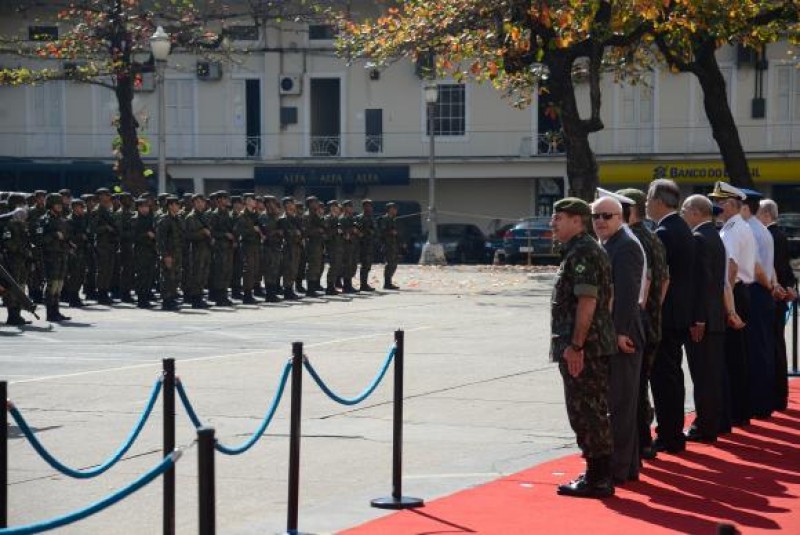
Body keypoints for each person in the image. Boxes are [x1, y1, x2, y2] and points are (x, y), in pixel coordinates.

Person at [550, 197, 616, 498]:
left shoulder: (583, 252)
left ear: (578, 220)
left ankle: (599, 478)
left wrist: (576, 346)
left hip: (583, 348)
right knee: (588, 410)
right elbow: (607, 297)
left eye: (559, 217)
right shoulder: (582, 250)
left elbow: (588, 301)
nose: (553, 223)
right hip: (589, 344)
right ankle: (597, 472)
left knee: (586, 412)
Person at [592, 194, 644, 485]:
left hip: (623, 331)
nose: (600, 221)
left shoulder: (625, 246)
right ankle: (628, 466)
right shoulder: (612, 243)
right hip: (616, 329)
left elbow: (626, 293)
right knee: (622, 402)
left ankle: (618, 468)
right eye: (596, 216)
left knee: (621, 404)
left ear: (621, 217)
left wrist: (620, 332)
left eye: (607, 216)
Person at [617, 187, 668, 461]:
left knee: (633, 389)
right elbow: (665, 281)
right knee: (640, 385)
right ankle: (643, 441)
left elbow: (646, 283)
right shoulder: (651, 237)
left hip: (639, 322)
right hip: (651, 321)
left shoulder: (631, 239)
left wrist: (642, 311)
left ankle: (639, 442)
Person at [646, 178, 694, 454]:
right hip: (679, 314)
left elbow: (659, 278)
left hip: (666, 315)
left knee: (664, 378)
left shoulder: (664, 232)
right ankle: (672, 432)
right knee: (672, 375)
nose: (646, 204)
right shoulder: (681, 228)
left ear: (660, 201)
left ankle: (669, 435)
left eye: (649, 198)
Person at [708, 181, 754, 430]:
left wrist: (729, 308)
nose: (716, 206)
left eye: (719, 202)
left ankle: (735, 412)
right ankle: (740, 410)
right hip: (741, 292)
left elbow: (732, 267)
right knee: (738, 357)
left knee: (733, 358)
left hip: (735, 292)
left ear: (728, 204)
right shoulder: (740, 226)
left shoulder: (732, 230)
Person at [681, 195, 727, 442]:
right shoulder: (713, 234)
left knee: (703, 377)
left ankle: (705, 427)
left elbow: (703, 282)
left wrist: (698, 318)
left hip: (705, 320)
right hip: (714, 317)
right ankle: (711, 423)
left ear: (697, 212)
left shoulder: (699, 238)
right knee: (710, 375)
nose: (683, 214)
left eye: (685, 210)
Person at [758, 199, 797, 411]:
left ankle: (773, 395)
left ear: (766, 214)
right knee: (777, 345)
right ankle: (779, 395)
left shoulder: (769, 235)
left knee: (772, 346)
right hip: (780, 293)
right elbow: (786, 267)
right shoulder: (779, 234)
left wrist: (780, 287)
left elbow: (774, 267)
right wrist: (789, 286)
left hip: (773, 295)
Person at [740, 189, 776, 419]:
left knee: (755, 350)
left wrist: (769, 286)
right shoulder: (759, 228)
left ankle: (758, 403)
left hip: (755, 290)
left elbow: (757, 268)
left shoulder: (750, 230)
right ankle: (763, 401)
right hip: (761, 292)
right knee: (761, 348)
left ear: (744, 207)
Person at [38, 193, 72, 322]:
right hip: (50, 256)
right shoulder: (44, 220)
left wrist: (69, 243)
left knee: (59, 284)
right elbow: (39, 239)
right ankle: (50, 313)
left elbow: (66, 236)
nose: (60, 207)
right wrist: (53, 235)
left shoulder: (62, 220)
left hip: (62, 255)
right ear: (51, 205)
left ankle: (56, 311)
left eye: (60, 204)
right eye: (57, 204)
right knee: (52, 284)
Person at [2, 193, 32, 325]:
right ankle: (12, 315)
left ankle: (18, 314)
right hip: (12, 260)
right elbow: (8, 243)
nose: (24, 207)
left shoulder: (22, 223)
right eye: (21, 204)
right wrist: (22, 250)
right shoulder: (8, 223)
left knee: (21, 286)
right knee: (12, 288)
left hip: (22, 260)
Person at [184, 194, 213, 309]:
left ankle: (200, 297)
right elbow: (187, 235)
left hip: (205, 249)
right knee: (196, 275)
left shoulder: (204, 216)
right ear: (193, 204)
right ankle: (195, 300)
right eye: (197, 202)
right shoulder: (190, 217)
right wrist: (202, 233)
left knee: (203, 275)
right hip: (195, 250)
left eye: (202, 202)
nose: (200, 204)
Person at [208, 191, 236, 306]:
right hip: (219, 248)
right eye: (224, 198)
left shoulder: (228, 214)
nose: (226, 200)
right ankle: (219, 297)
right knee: (220, 272)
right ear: (219, 200)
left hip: (228, 247)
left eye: (226, 198)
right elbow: (212, 232)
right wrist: (224, 234)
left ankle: (224, 295)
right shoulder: (214, 215)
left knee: (227, 272)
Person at [156, 196, 184, 311]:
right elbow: (160, 239)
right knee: (167, 278)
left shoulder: (177, 219)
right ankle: (166, 301)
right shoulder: (164, 220)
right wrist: (165, 255)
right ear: (170, 206)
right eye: (176, 204)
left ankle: (172, 298)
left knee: (175, 278)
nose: (178, 206)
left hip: (177, 253)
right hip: (169, 254)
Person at [93, 188, 119, 305]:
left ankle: (105, 291)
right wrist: (105, 228)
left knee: (109, 270)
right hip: (102, 244)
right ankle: (101, 294)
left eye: (108, 195)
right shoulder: (97, 210)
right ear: (100, 197)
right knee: (103, 270)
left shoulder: (107, 210)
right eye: (105, 195)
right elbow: (93, 229)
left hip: (110, 243)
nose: (108, 197)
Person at [235, 193, 262, 304]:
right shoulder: (242, 215)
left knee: (255, 270)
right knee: (248, 270)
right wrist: (253, 230)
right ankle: (247, 295)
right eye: (251, 199)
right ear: (246, 202)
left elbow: (259, 228)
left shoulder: (255, 215)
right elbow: (239, 231)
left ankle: (251, 292)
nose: (254, 201)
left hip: (256, 245)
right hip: (247, 246)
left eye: (254, 199)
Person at [132, 197, 157, 309]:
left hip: (151, 250)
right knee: (141, 275)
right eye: (142, 206)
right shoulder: (135, 219)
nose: (145, 209)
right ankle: (141, 299)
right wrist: (146, 235)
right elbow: (132, 237)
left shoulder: (152, 218)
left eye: (146, 206)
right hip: (140, 251)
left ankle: (146, 296)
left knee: (149, 274)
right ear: (138, 208)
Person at [64, 198, 89, 308]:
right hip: (74, 251)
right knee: (74, 275)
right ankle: (72, 297)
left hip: (82, 250)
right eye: (80, 207)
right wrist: (80, 237)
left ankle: (76, 296)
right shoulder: (69, 220)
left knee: (81, 274)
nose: (82, 209)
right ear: (74, 208)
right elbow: (68, 236)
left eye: (83, 207)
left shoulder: (82, 219)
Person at [303, 196, 326, 297]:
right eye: (315, 202)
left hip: (318, 243)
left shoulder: (315, 215)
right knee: (312, 266)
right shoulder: (308, 216)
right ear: (310, 204)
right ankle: (310, 290)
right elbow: (306, 231)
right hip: (312, 244)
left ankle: (314, 286)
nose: (317, 204)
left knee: (317, 266)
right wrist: (318, 231)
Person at [355, 199, 377, 291]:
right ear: (363, 207)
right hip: (362, 244)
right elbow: (357, 230)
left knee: (368, 265)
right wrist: (365, 232)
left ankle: (364, 283)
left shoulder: (372, 218)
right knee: (364, 265)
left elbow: (376, 230)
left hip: (370, 244)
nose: (369, 208)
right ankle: (363, 284)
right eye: (367, 206)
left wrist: (373, 232)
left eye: (370, 206)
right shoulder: (360, 218)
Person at [379, 202, 401, 290]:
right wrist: (390, 232)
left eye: (396, 208)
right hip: (387, 244)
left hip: (394, 244)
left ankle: (389, 281)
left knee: (394, 263)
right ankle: (387, 283)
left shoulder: (393, 219)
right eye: (394, 208)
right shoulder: (384, 219)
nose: (395, 210)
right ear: (389, 209)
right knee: (390, 263)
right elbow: (381, 232)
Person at [324, 200, 343, 295]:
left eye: (337, 206)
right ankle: (329, 287)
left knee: (337, 266)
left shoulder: (337, 218)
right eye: (334, 206)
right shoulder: (328, 219)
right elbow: (327, 233)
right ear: (330, 208)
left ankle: (333, 285)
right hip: (332, 246)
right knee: (333, 266)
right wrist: (336, 231)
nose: (336, 208)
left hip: (338, 245)